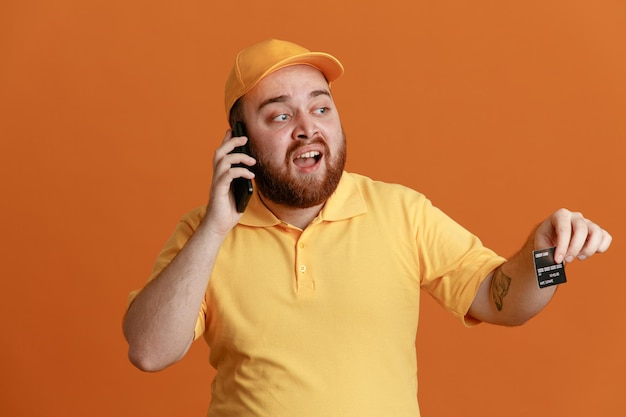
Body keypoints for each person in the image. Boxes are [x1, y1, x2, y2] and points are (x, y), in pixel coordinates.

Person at [123, 39, 612, 416]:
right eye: (279, 115)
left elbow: (501, 300)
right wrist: (214, 229)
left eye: (320, 107)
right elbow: (148, 352)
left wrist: (545, 256)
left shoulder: (400, 211)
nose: (307, 127)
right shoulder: (203, 235)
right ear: (239, 143)